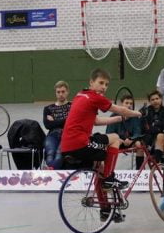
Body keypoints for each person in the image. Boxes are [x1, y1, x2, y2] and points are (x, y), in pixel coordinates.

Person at [58, 68, 142, 203]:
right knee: (114, 137)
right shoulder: (95, 97)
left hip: (66, 147)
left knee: (100, 169)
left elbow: (96, 121)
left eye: (106, 84)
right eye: (101, 83)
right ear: (91, 82)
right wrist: (136, 113)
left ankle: (105, 209)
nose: (104, 87)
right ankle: (109, 180)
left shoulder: (80, 95)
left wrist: (120, 119)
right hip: (80, 144)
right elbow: (119, 109)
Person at [139, 90, 164, 163]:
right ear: (149, 101)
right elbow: (144, 128)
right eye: (152, 99)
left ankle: (156, 161)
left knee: (160, 136)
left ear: (161, 99)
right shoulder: (146, 111)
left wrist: (159, 126)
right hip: (151, 139)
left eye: (157, 99)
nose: (155, 101)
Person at [42, 80, 71, 169]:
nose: (60, 94)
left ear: (67, 92)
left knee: (59, 154)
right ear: (55, 93)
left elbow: (72, 123)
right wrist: (66, 120)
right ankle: (52, 170)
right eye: (58, 92)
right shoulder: (48, 108)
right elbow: (47, 125)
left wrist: (55, 121)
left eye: (63, 92)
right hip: (52, 135)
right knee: (50, 153)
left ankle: (50, 170)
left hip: (67, 134)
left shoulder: (73, 106)